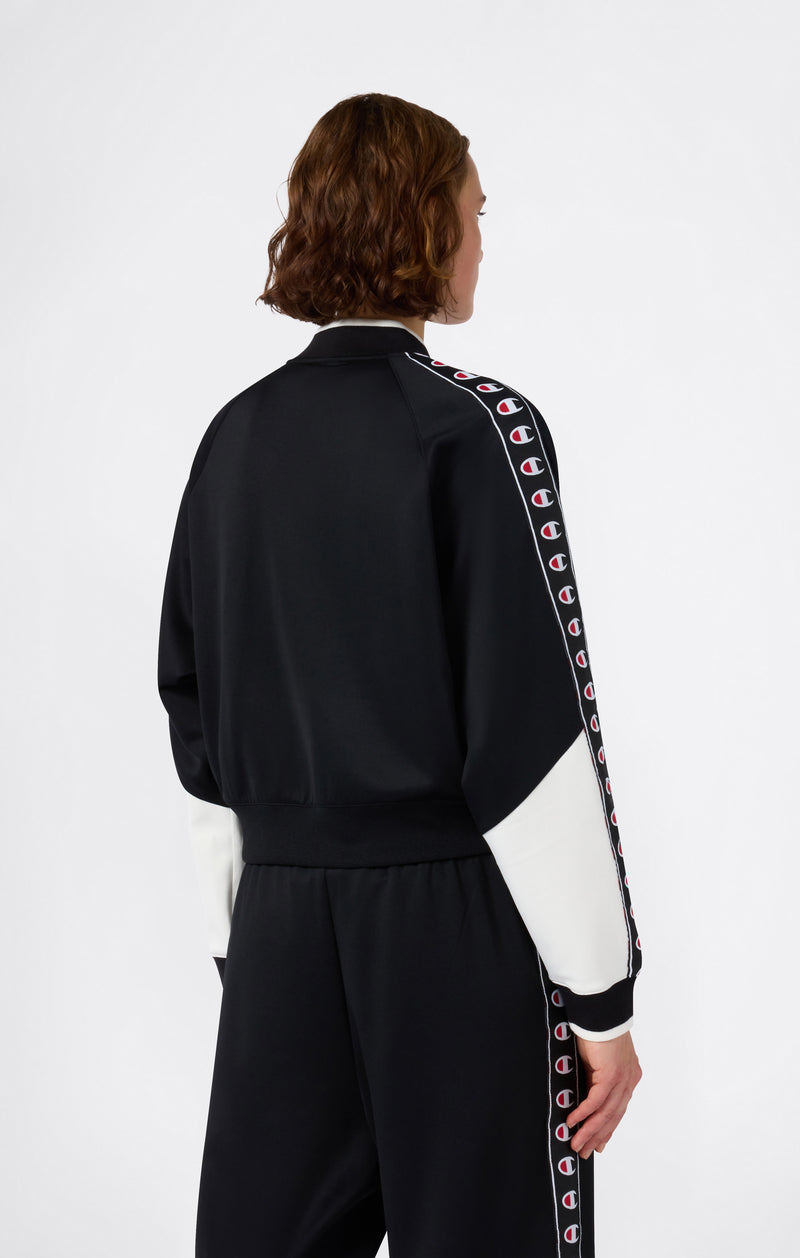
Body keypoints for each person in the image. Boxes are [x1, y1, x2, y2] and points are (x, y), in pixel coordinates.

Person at [157, 91, 643, 1258]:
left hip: (277, 920)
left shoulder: (232, 437)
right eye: (473, 212)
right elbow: (531, 735)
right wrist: (600, 995)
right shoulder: (474, 428)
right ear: (422, 223)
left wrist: (246, 944)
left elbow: (193, 717)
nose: (481, 239)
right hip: (449, 924)